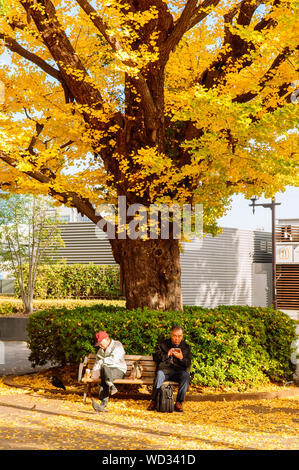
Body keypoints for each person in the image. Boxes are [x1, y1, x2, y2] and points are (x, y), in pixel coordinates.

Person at [148, 325, 192, 412]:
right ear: (170, 335)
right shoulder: (162, 344)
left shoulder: (186, 347)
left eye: (179, 336)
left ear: (182, 336)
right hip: (165, 371)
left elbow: (188, 364)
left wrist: (181, 358)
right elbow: (156, 357)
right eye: (174, 336)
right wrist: (167, 354)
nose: (176, 338)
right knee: (159, 374)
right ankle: (154, 401)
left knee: (186, 376)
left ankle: (179, 402)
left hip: (178, 372)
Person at [91, 331, 127, 412]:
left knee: (104, 371)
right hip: (106, 372)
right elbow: (97, 363)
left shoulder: (117, 345)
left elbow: (114, 359)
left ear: (107, 339)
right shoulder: (100, 351)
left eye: (101, 343)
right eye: (98, 344)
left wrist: (101, 362)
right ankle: (111, 385)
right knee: (104, 370)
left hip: (118, 370)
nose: (100, 346)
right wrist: (93, 373)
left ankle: (103, 404)